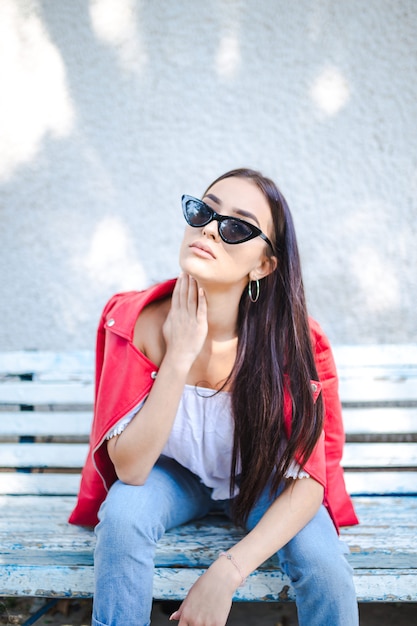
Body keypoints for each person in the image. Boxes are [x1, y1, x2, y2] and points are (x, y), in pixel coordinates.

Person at [69, 168, 359, 626]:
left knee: (323, 565)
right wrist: (179, 356)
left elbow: (308, 484)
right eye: (204, 210)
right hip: (173, 477)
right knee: (123, 518)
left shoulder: (293, 341)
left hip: (263, 479)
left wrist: (227, 572)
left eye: (238, 226)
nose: (209, 228)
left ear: (264, 264)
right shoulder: (138, 322)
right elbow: (132, 468)